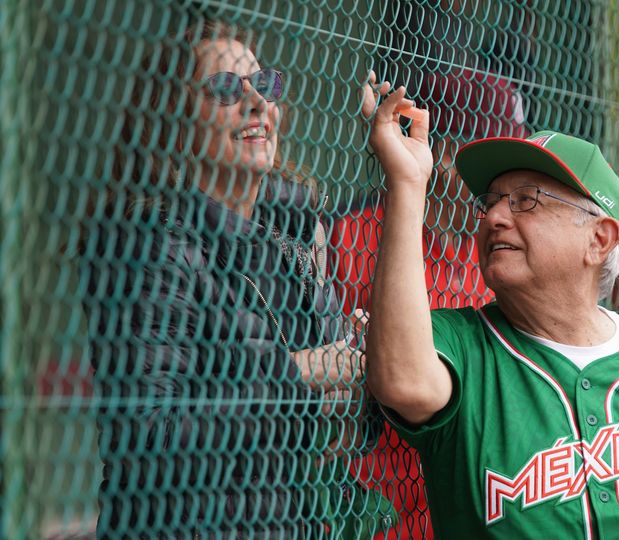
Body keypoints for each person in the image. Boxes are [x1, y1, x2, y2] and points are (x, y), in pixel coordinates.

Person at [360, 72, 619, 538]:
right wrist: (409, 184)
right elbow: (402, 381)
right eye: (490, 202)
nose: (494, 216)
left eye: (526, 201)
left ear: (599, 239)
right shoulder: (463, 344)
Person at [82, 17, 389, 538]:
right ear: (174, 120)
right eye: (225, 89)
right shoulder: (152, 243)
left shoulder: (289, 244)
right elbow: (147, 437)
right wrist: (304, 372)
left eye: (265, 84)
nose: (255, 101)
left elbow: (353, 426)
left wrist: (359, 364)